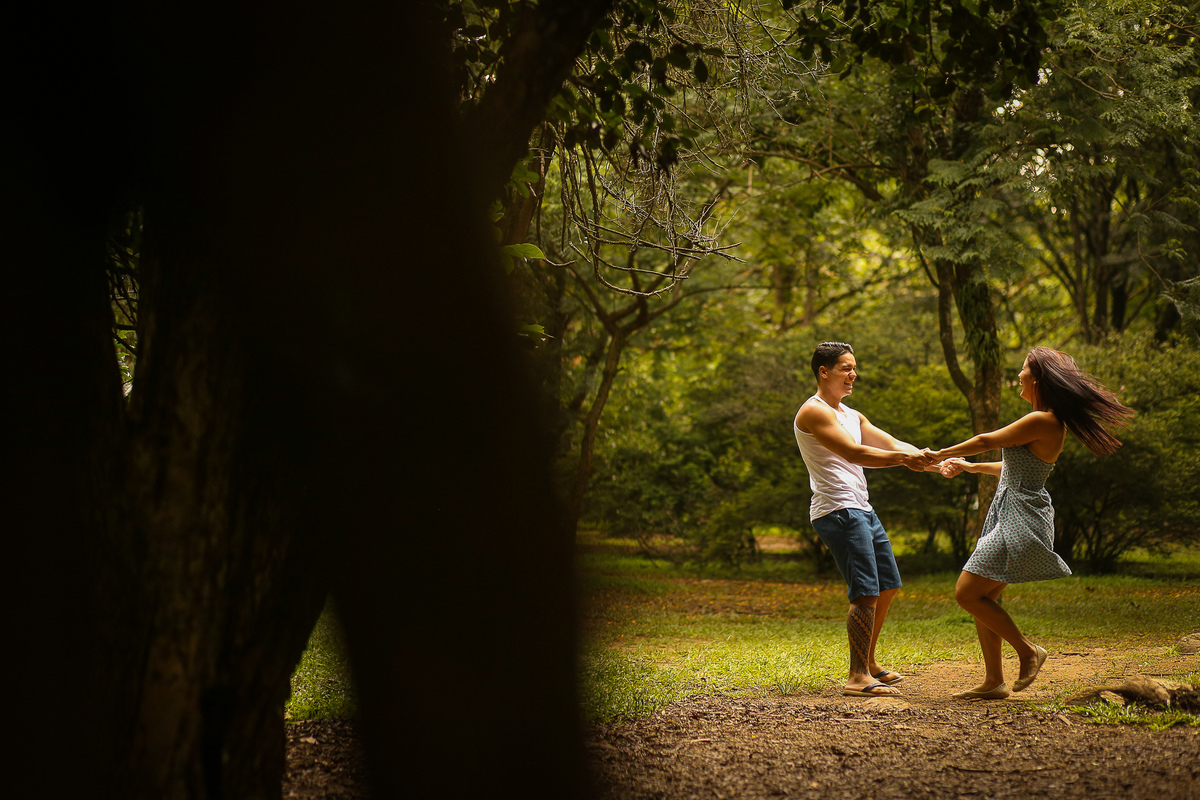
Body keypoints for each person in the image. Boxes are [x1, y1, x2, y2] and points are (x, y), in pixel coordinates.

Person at [927, 346, 1133, 699]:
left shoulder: (1043, 419)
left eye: (1022, 370)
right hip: (1015, 513)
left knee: (967, 593)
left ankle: (1028, 651)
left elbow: (986, 440)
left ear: (1037, 378)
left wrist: (940, 453)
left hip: (1020, 518)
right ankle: (994, 681)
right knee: (984, 598)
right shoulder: (1045, 421)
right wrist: (970, 466)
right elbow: (1016, 469)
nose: (1018, 376)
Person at [794, 341, 936, 697]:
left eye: (854, 368)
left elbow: (889, 442)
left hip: (861, 507)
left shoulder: (852, 415)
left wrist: (930, 458)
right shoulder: (813, 412)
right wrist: (905, 460)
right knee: (866, 590)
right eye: (845, 368)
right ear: (823, 371)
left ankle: (869, 662)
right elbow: (854, 452)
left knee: (887, 583)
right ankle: (857, 677)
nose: (853, 374)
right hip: (838, 509)